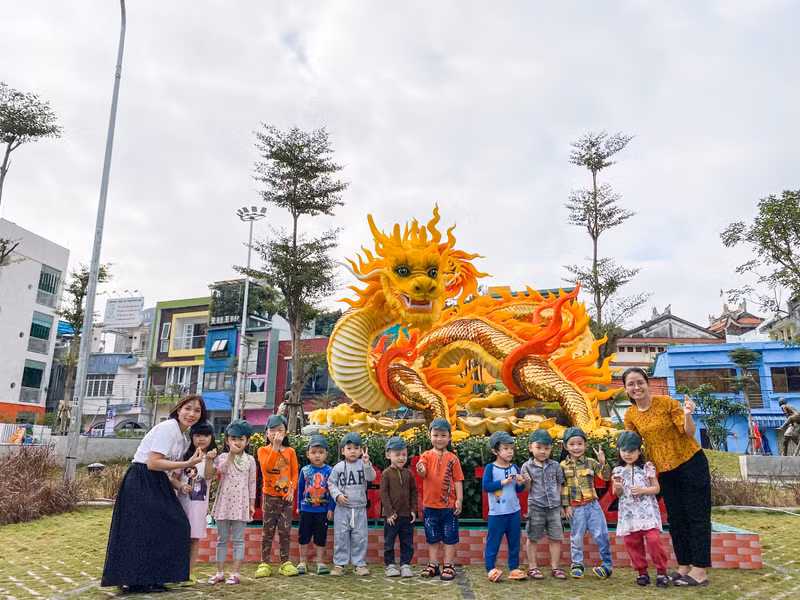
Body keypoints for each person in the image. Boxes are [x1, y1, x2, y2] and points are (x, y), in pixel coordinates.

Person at [101, 394, 206, 593]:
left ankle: (154, 577)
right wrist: (188, 463)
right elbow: (153, 462)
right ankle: (133, 580)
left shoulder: (181, 437)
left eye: (197, 410)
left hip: (157, 479)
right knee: (142, 529)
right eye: (187, 408)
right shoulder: (169, 428)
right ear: (178, 409)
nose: (192, 414)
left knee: (169, 525)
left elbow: (163, 466)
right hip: (142, 477)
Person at [622, 367, 711, 587]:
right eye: (631, 384)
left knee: (696, 516)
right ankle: (685, 566)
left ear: (647, 383)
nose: (636, 387)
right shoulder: (630, 415)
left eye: (640, 382)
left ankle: (700, 570)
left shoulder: (667, 403)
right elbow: (632, 447)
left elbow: (689, 432)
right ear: (625, 389)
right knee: (676, 518)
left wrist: (688, 414)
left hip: (690, 461)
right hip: (663, 469)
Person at [611, 431, 668, 588]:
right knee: (632, 543)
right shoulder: (617, 471)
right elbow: (616, 494)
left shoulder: (647, 468)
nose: (627, 455)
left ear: (639, 451)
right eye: (624, 451)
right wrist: (617, 488)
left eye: (631, 451)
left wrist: (643, 490)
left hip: (647, 512)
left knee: (654, 541)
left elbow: (656, 489)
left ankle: (662, 572)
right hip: (629, 514)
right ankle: (642, 572)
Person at [208, 420, 257, 586]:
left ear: (247, 441)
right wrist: (230, 455)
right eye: (233, 439)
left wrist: (251, 504)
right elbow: (220, 470)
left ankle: (235, 573)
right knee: (222, 539)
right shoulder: (222, 457)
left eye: (241, 439)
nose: (237, 442)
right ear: (227, 440)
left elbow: (252, 483)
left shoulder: (250, 460)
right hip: (224, 503)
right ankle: (219, 572)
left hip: (241, 504)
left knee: (239, 540)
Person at [560, 426, 612, 580]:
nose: (576, 447)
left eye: (580, 444)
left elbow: (606, 477)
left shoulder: (591, 462)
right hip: (575, 508)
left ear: (585, 445)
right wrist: (566, 505)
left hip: (593, 505)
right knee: (576, 537)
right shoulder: (562, 466)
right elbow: (563, 487)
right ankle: (577, 564)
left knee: (601, 535)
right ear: (565, 446)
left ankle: (607, 566)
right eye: (572, 444)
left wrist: (603, 462)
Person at [416, 418, 464, 582]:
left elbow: (458, 480)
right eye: (435, 435)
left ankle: (449, 565)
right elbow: (422, 472)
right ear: (430, 436)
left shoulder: (453, 459)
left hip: (449, 506)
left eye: (443, 435)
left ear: (449, 437)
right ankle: (433, 564)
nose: (439, 439)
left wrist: (460, 500)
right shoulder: (426, 455)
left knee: (450, 537)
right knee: (432, 537)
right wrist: (421, 469)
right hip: (429, 505)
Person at [172, 419, 217, 586]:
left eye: (206, 435)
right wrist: (181, 486)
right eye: (198, 435)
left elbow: (209, 476)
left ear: (211, 438)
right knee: (179, 537)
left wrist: (211, 459)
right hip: (181, 504)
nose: (201, 439)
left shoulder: (213, 456)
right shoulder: (184, 456)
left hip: (199, 506)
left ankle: (188, 572)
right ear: (192, 437)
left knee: (194, 538)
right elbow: (174, 478)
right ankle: (175, 570)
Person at [255, 415, 299, 578]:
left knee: (285, 531)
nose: (276, 433)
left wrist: (292, 490)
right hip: (269, 496)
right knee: (267, 530)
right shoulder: (262, 450)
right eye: (272, 430)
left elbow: (294, 472)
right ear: (266, 433)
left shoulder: (290, 452)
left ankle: (285, 562)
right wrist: (275, 447)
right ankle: (264, 562)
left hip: (286, 497)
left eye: (280, 430)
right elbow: (266, 468)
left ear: (286, 432)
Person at [328, 431, 376, 576]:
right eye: (349, 448)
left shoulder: (364, 464)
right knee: (341, 536)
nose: (353, 451)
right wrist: (337, 496)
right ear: (343, 451)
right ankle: (339, 564)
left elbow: (371, 477)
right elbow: (331, 483)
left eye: (356, 448)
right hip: (342, 509)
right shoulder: (338, 467)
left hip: (359, 508)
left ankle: (359, 564)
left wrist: (367, 464)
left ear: (361, 450)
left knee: (360, 537)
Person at [521, 429, 566, 581]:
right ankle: (533, 567)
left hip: (553, 507)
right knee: (533, 537)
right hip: (536, 506)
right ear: (530, 447)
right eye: (539, 447)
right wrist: (526, 482)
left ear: (551, 449)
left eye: (546, 448)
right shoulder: (526, 467)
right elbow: (526, 489)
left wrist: (559, 503)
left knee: (556, 537)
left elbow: (559, 484)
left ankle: (556, 567)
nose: (543, 451)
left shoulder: (555, 465)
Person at [482, 431, 527, 582]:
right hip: (496, 513)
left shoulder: (514, 467)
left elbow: (518, 490)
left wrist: (521, 483)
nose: (509, 451)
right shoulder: (491, 468)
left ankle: (514, 568)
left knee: (514, 541)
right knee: (493, 542)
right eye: (505, 448)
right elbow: (486, 486)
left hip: (514, 512)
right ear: (495, 451)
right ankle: (490, 569)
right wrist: (502, 483)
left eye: (511, 448)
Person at [297, 434, 335, 575]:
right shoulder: (305, 470)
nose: (317, 456)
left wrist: (331, 508)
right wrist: (298, 506)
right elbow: (300, 488)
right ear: (308, 454)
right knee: (304, 536)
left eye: (320, 452)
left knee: (320, 536)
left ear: (326, 454)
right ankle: (303, 561)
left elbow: (332, 490)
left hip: (322, 511)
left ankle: (320, 561)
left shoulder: (330, 471)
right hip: (306, 509)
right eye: (313, 452)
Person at [380, 436, 418, 578]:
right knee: (389, 541)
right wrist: (389, 513)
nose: (401, 458)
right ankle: (390, 565)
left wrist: (414, 510)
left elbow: (414, 493)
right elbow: (383, 495)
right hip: (391, 517)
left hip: (406, 515)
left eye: (404, 454)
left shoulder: (409, 474)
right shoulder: (386, 474)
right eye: (397, 455)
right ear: (388, 455)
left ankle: (405, 564)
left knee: (407, 542)